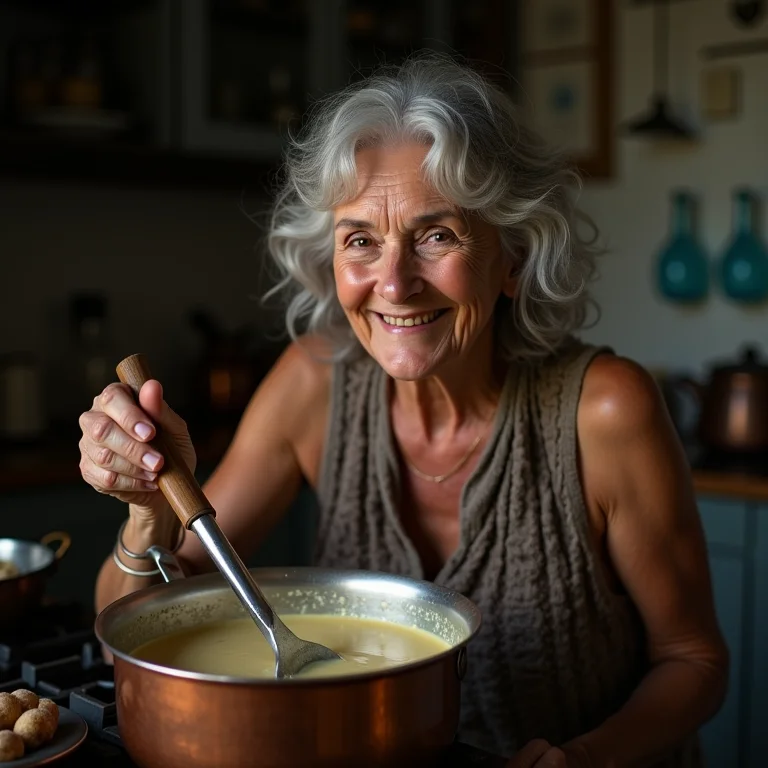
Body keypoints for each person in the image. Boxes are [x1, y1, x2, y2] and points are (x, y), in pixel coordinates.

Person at [78, 54, 727, 767]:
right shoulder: (314, 385)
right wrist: (147, 515)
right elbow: (137, 629)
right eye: (361, 240)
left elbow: (694, 660)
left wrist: (584, 759)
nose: (394, 283)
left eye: (436, 235)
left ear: (513, 257)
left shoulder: (603, 411)